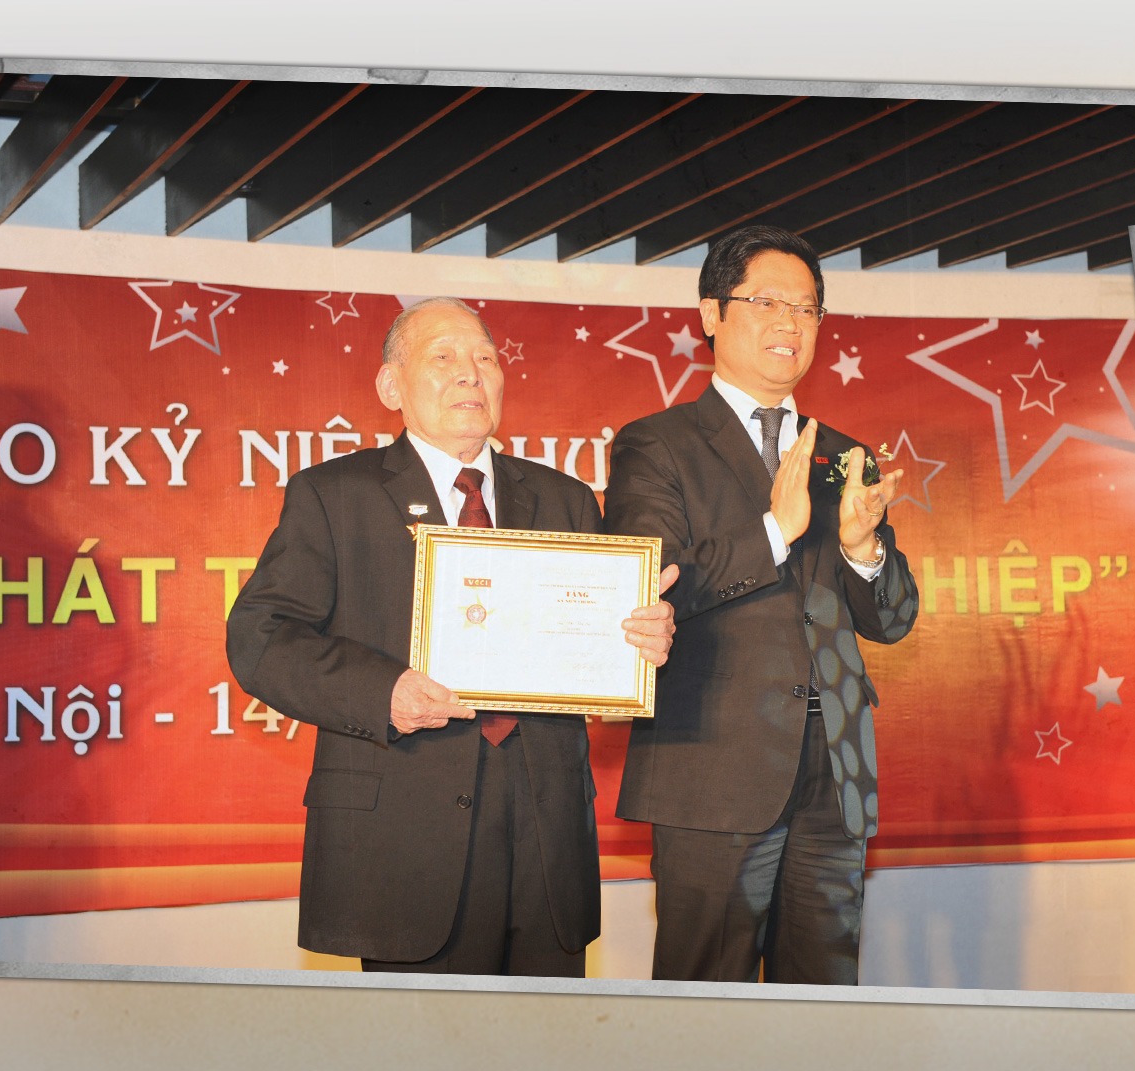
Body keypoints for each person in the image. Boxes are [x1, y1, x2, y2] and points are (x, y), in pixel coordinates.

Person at [225, 297, 677, 976]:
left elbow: (595, 650)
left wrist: (642, 643)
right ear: (391, 386)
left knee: (547, 1032)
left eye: (485, 358)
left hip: (546, 835)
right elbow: (260, 636)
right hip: (405, 836)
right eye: (443, 357)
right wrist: (384, 692)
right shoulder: (334, 494)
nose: (471, 372)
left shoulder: (565, 499)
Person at [603, 225, 920, 985]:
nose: (790, 323)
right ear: (711, 313)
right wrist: (776, 530)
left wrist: (862, 551)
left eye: (807, 309)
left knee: (821, 1000)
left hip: (835, 769)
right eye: (768, 303)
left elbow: (893, 618)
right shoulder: (658, 444)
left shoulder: (843, 454)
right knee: (705, 1000)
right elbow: (653, 580)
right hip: (715, 766)